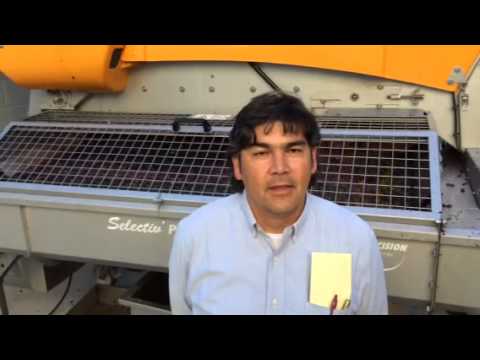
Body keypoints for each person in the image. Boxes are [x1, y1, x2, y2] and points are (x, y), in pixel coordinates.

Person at [168, 91, 388, 315]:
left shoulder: (356, 238)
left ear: (313, 160)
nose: (280, 167)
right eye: (261, 153)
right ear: (237, 167)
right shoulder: (195, 235)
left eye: (292, 150)